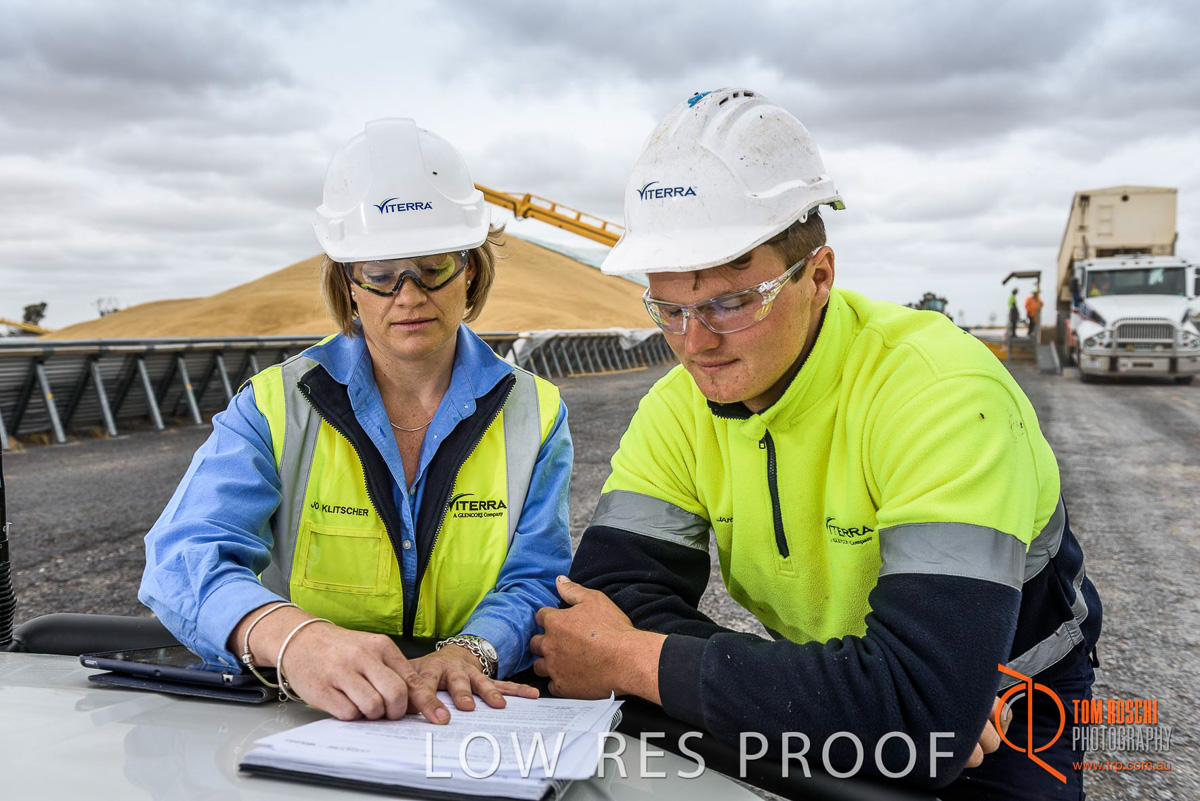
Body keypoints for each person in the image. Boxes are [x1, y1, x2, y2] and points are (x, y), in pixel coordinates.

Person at [531, 90, 1101, 799]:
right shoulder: (678, 406)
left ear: (819, 277)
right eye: (669, 308)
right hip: (913, 689)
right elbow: (605, 601)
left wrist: (631, 660)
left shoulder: (943, 394)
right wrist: (876, 692)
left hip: (1015, 694)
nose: (694, 342)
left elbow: (924, 722)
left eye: (730, 303)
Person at [140, 118, 573, 724]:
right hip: (307, 715)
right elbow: (182, 557)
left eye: (433, 266)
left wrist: (472, 650)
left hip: (469, 710)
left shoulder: (535, 411)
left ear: (471, 268)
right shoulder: (274, 405)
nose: (409, 295)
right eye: (380, 273)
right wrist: (293, 640)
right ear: (347, 282)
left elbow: (538, 575)